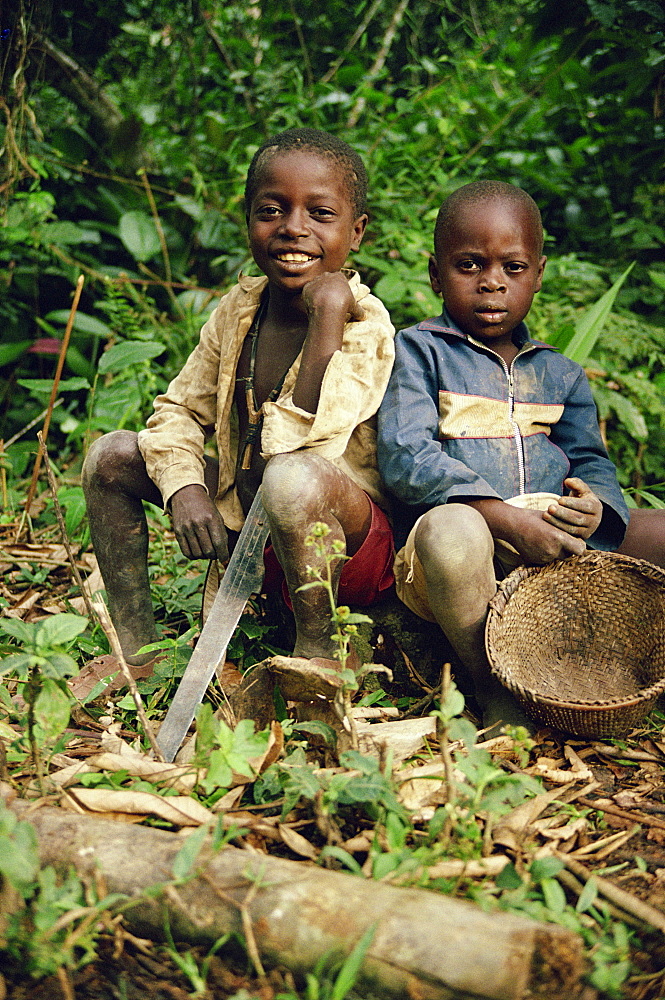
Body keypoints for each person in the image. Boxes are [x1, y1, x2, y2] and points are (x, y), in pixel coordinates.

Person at [79, 128, 395, 697]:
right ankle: (135, 652)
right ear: (248, 219)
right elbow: (177, 409)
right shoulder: (239, 310)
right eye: (271, 210)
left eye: (320, 213)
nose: (293, 227)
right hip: (245, 526)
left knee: (290, 476)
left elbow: (307, 442)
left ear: (357, 231)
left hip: (343, 550)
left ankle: (319, 662)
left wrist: (326, 317)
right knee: (111, 456)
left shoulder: (365, 324)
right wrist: (184, 489)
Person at [376, 179, 664, 730]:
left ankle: (633, 678)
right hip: (467, 548)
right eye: (469, 266)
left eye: (513, 268)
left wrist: (596, 505)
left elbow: (591, 460)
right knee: (450, 531)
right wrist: (504, 517)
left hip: (555, 539)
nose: (492, 284)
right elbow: (406, 457)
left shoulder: (559, 372)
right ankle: (496, 688)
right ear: (437, 274)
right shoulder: (418, 352)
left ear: (538, 274)